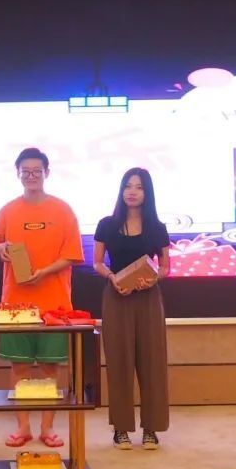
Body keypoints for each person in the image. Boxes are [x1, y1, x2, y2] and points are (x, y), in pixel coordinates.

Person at [0, 147, 84, 449]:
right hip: (16, 305)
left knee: (50, 368)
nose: (31, 176)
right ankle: (23, 427)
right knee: (18, 367)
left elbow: (72, 255)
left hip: (55, 305)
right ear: (18, 174)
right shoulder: (8, 210)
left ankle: (47, 428)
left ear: (46, 173)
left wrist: (43, 272)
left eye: (36, 171)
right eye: (25, 171)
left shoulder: (63, 210)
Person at [93, 167, 171, 450]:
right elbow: (97, 262)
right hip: (116, 297)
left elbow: (165, 267)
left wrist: (151, 279)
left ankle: (151, 428)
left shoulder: (157, 227)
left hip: (148, 298)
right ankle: (121, 429)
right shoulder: (107, 224)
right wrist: (112, 277)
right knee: (119, 362)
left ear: (147, 193)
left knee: (152, 361)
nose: (132, 192)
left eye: (139, 187)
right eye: (128, 186)